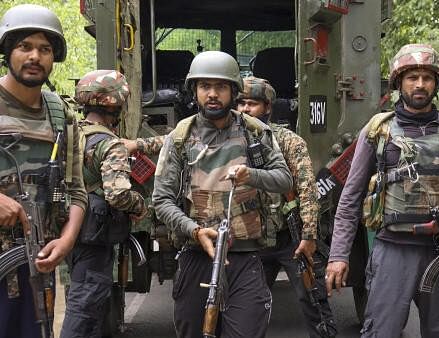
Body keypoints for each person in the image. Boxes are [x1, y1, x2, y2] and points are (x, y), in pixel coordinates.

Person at [325, 43, 439, 338]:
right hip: (392, 251)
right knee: (381, 332)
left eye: (428, 77)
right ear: (399, 82)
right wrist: (338, 255)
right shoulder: (378, 130)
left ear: (437, 83)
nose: (420, 84)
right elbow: (349, 199)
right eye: (412, 77)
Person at [152, 51, 293, 338]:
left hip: (244, 256)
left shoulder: (256, 132)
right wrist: (194, 231)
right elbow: (161, 200)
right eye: (205, 86)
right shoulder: (180, 136)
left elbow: (283, 179)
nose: (212, 94)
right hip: (195, 256)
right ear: (195, 91)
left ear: (233, 91)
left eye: (221, 87)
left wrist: (250, 174)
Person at [0, 4, 87, 338]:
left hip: (37, 262)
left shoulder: (60, 114)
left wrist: (65, 241)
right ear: (8, 52)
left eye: (44, 49)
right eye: (25, 46)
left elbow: (76, 190)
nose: (34, 56)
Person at [237, 76, 337, 338]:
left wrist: (308, 237)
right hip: (250, 242)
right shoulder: (228, 141)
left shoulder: (289, 141)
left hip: (288, 239)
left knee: (313, 299)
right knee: (246, 312)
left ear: (267, 107)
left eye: (253, 104)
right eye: (241, 104)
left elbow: (307, 190)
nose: (245, 110)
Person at [60, 70, 146, 338]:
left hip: (68, 234)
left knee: (86, 306)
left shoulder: (72, 135)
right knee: (83, 312)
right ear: (116, 104)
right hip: (94, 240)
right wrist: (140, 205)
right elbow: (118, 194)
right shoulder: (110, 144)